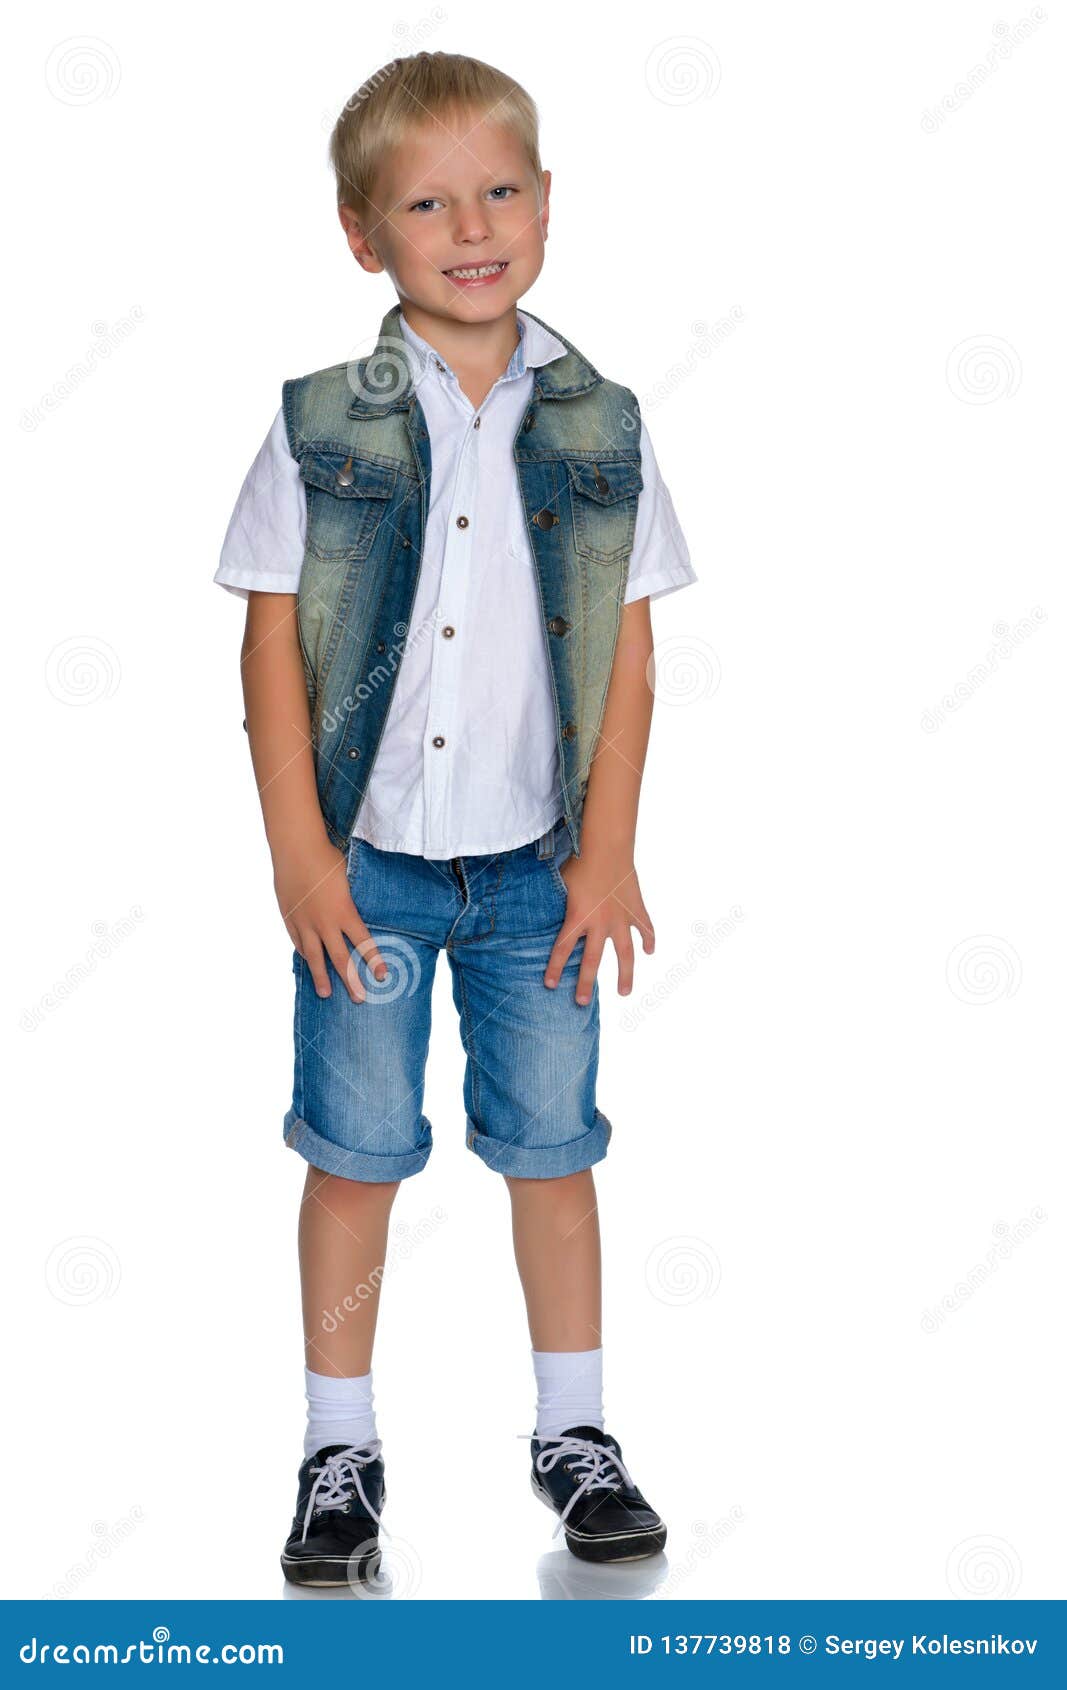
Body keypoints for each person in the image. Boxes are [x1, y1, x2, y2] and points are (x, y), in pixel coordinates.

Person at [215, 50, 697, 1587]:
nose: (470, 223)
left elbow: (627, 650)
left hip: (537, 870)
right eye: (428, 201)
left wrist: (608, 848)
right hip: (365, 867)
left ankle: (577, 1432)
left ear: (545, 205)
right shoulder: (314, 425)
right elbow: (272, 651)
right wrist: (299, 851)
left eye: (500, 190)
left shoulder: (603, 423)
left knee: (553, 1148)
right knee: (356, 1154)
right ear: (365, 232)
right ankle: (337, 1446)